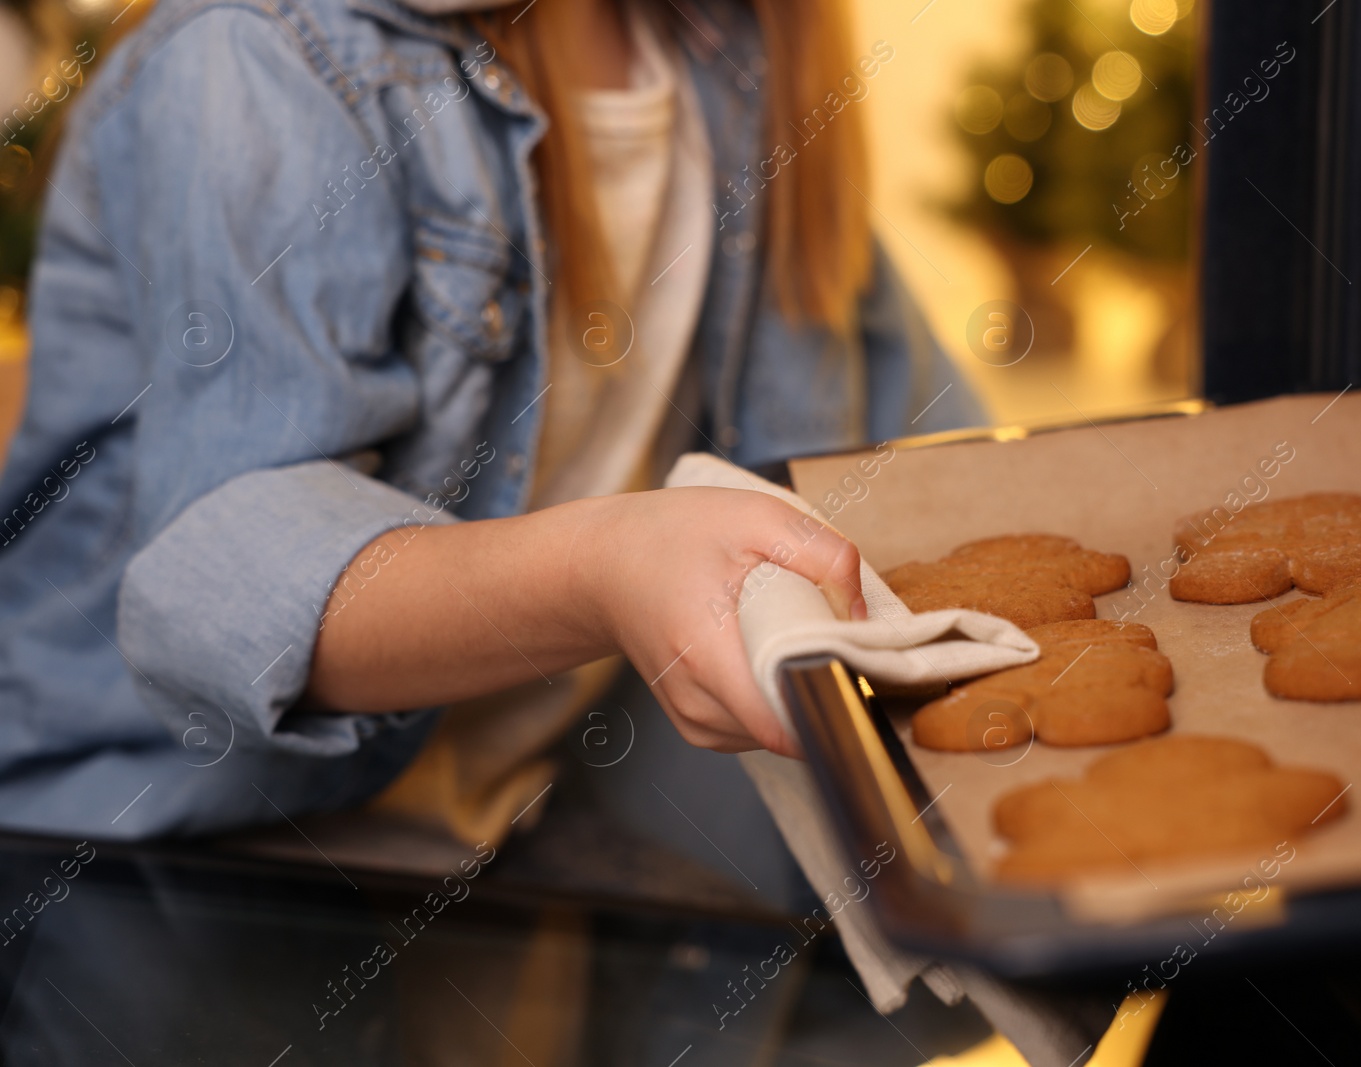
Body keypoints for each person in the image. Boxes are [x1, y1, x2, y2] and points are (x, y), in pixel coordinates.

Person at [0, 0, 982, 840]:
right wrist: (600, 569)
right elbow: (232, 580)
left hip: (505, 820)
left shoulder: (731, 57)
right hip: (161, 844)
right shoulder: (264, 54)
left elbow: (910, 468)